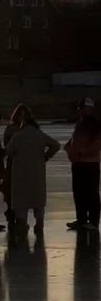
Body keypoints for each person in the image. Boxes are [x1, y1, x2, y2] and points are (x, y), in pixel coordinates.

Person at [5, 105, 60, 234]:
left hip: (20, 173)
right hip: (37, 172)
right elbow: (56, 145)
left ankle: (23, 225)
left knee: (21, 202)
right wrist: (46, 156)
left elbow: (8, 151)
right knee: (38, 201)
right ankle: (39, 224)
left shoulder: (18, 135)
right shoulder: (39, 134)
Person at [65, 97, 101, 233]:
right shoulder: (80, 124)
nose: (81, 111)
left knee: (91, 193)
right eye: (80, 109)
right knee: (78, 193)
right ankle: (81, 219)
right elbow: (73, 140)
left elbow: (98, 143)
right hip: (78, 163)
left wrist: (83, 152)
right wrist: (69, 148)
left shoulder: (96, 124)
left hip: (90, 164)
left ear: (90, 109)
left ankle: (93, 221)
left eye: (83, 108)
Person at [1, 105, 25, 226]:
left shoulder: (24, 129)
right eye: (21, 115)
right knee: (11, 189)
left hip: (23, 163)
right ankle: (11, 213)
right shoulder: (12, 129)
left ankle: (18, 215)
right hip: (14, 163)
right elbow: (7, 147)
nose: (22, 118)